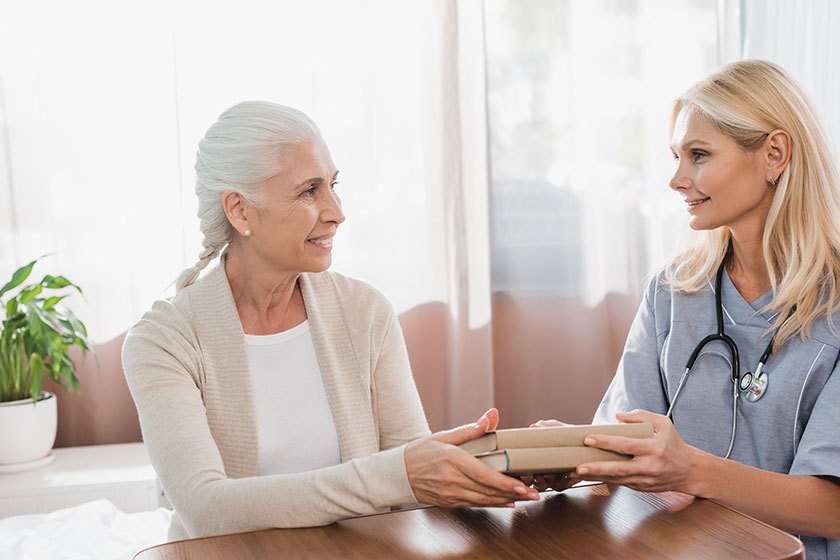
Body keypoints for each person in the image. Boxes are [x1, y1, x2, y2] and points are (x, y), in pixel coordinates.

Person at [122, 101, 539, 541]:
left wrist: (506, 469)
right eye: (309, 191)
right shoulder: (163, 341)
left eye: (334, 185)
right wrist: (399, 474)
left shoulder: (365, 312)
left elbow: (414, 481)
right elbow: (206, 510)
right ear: (240, 211)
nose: (337, 211)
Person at [533, 60, 840, 558]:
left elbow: (831, 509)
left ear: (775, 154)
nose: (677, 180)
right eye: (676, 156)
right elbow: (630, 444)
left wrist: (688, 469)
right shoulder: (674, 291)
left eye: (698, 155)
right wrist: (572, 453)